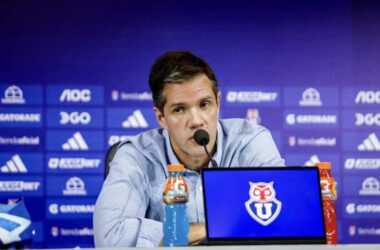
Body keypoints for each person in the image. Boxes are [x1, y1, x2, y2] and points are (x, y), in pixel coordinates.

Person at [93, 51, 285, 247]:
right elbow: (110, 237)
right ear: (161, 117)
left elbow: (288, 217)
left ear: (218, 103)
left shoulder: (250, 142)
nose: (196, 121)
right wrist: (211, 229)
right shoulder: (136, 156)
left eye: (204, 104)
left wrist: (169, 238)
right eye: (179, 109)